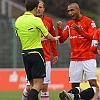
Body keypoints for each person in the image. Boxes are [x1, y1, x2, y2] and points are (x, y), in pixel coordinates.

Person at [14, 0, 60, 100]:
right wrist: (54, 38)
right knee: (38, 86)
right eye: (37, 8)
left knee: (32, 86)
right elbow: (48, 35)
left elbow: (19, 38)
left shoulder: (18, 20)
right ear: (35, 8)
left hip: (25, 54)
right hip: (36, 54)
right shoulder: (36, 20)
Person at [56, 2, 99, 100]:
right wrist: (59, 29)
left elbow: (93, 37)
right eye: (68, 11)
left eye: (72, 10)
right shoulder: (69, 24)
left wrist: (81, 31)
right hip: (75, 59)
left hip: (88, 57)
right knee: (74, 86)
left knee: (92, 83)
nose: (70, 13)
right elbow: (62, 40)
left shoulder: (89, 22)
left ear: (78, 10)